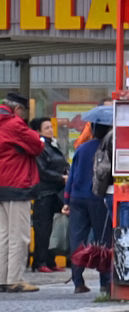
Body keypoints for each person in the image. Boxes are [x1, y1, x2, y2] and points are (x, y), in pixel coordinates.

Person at [0, 92, 43, 293]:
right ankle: (15, 279)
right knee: (19, 235)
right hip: (16, 185)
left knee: (3, 235)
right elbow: (38, 145)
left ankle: (2, 278)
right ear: (18, 109)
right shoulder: (14, 124)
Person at [63, 123, 112, 294]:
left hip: (77, 197)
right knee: (103, 240)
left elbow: (72, 175)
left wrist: (66, 199)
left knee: (77, 239)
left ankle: (78, 281)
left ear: (92, 131)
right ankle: (105, 281)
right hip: (99, 198)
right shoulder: (109, 147)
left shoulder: (82, 148)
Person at [29, 116, 68, 273]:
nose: (51, 130)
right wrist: (61, 177)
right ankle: (40, 261)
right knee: (43, 228)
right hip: (44, 192)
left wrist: (67, 173)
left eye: (51, 127)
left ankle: (50, 259)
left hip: (56, 191)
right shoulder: (40, 147)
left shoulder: (53, 144)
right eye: (47, 128)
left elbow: (62, 162)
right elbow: (42, 170)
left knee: (55, 227)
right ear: (38, 131)